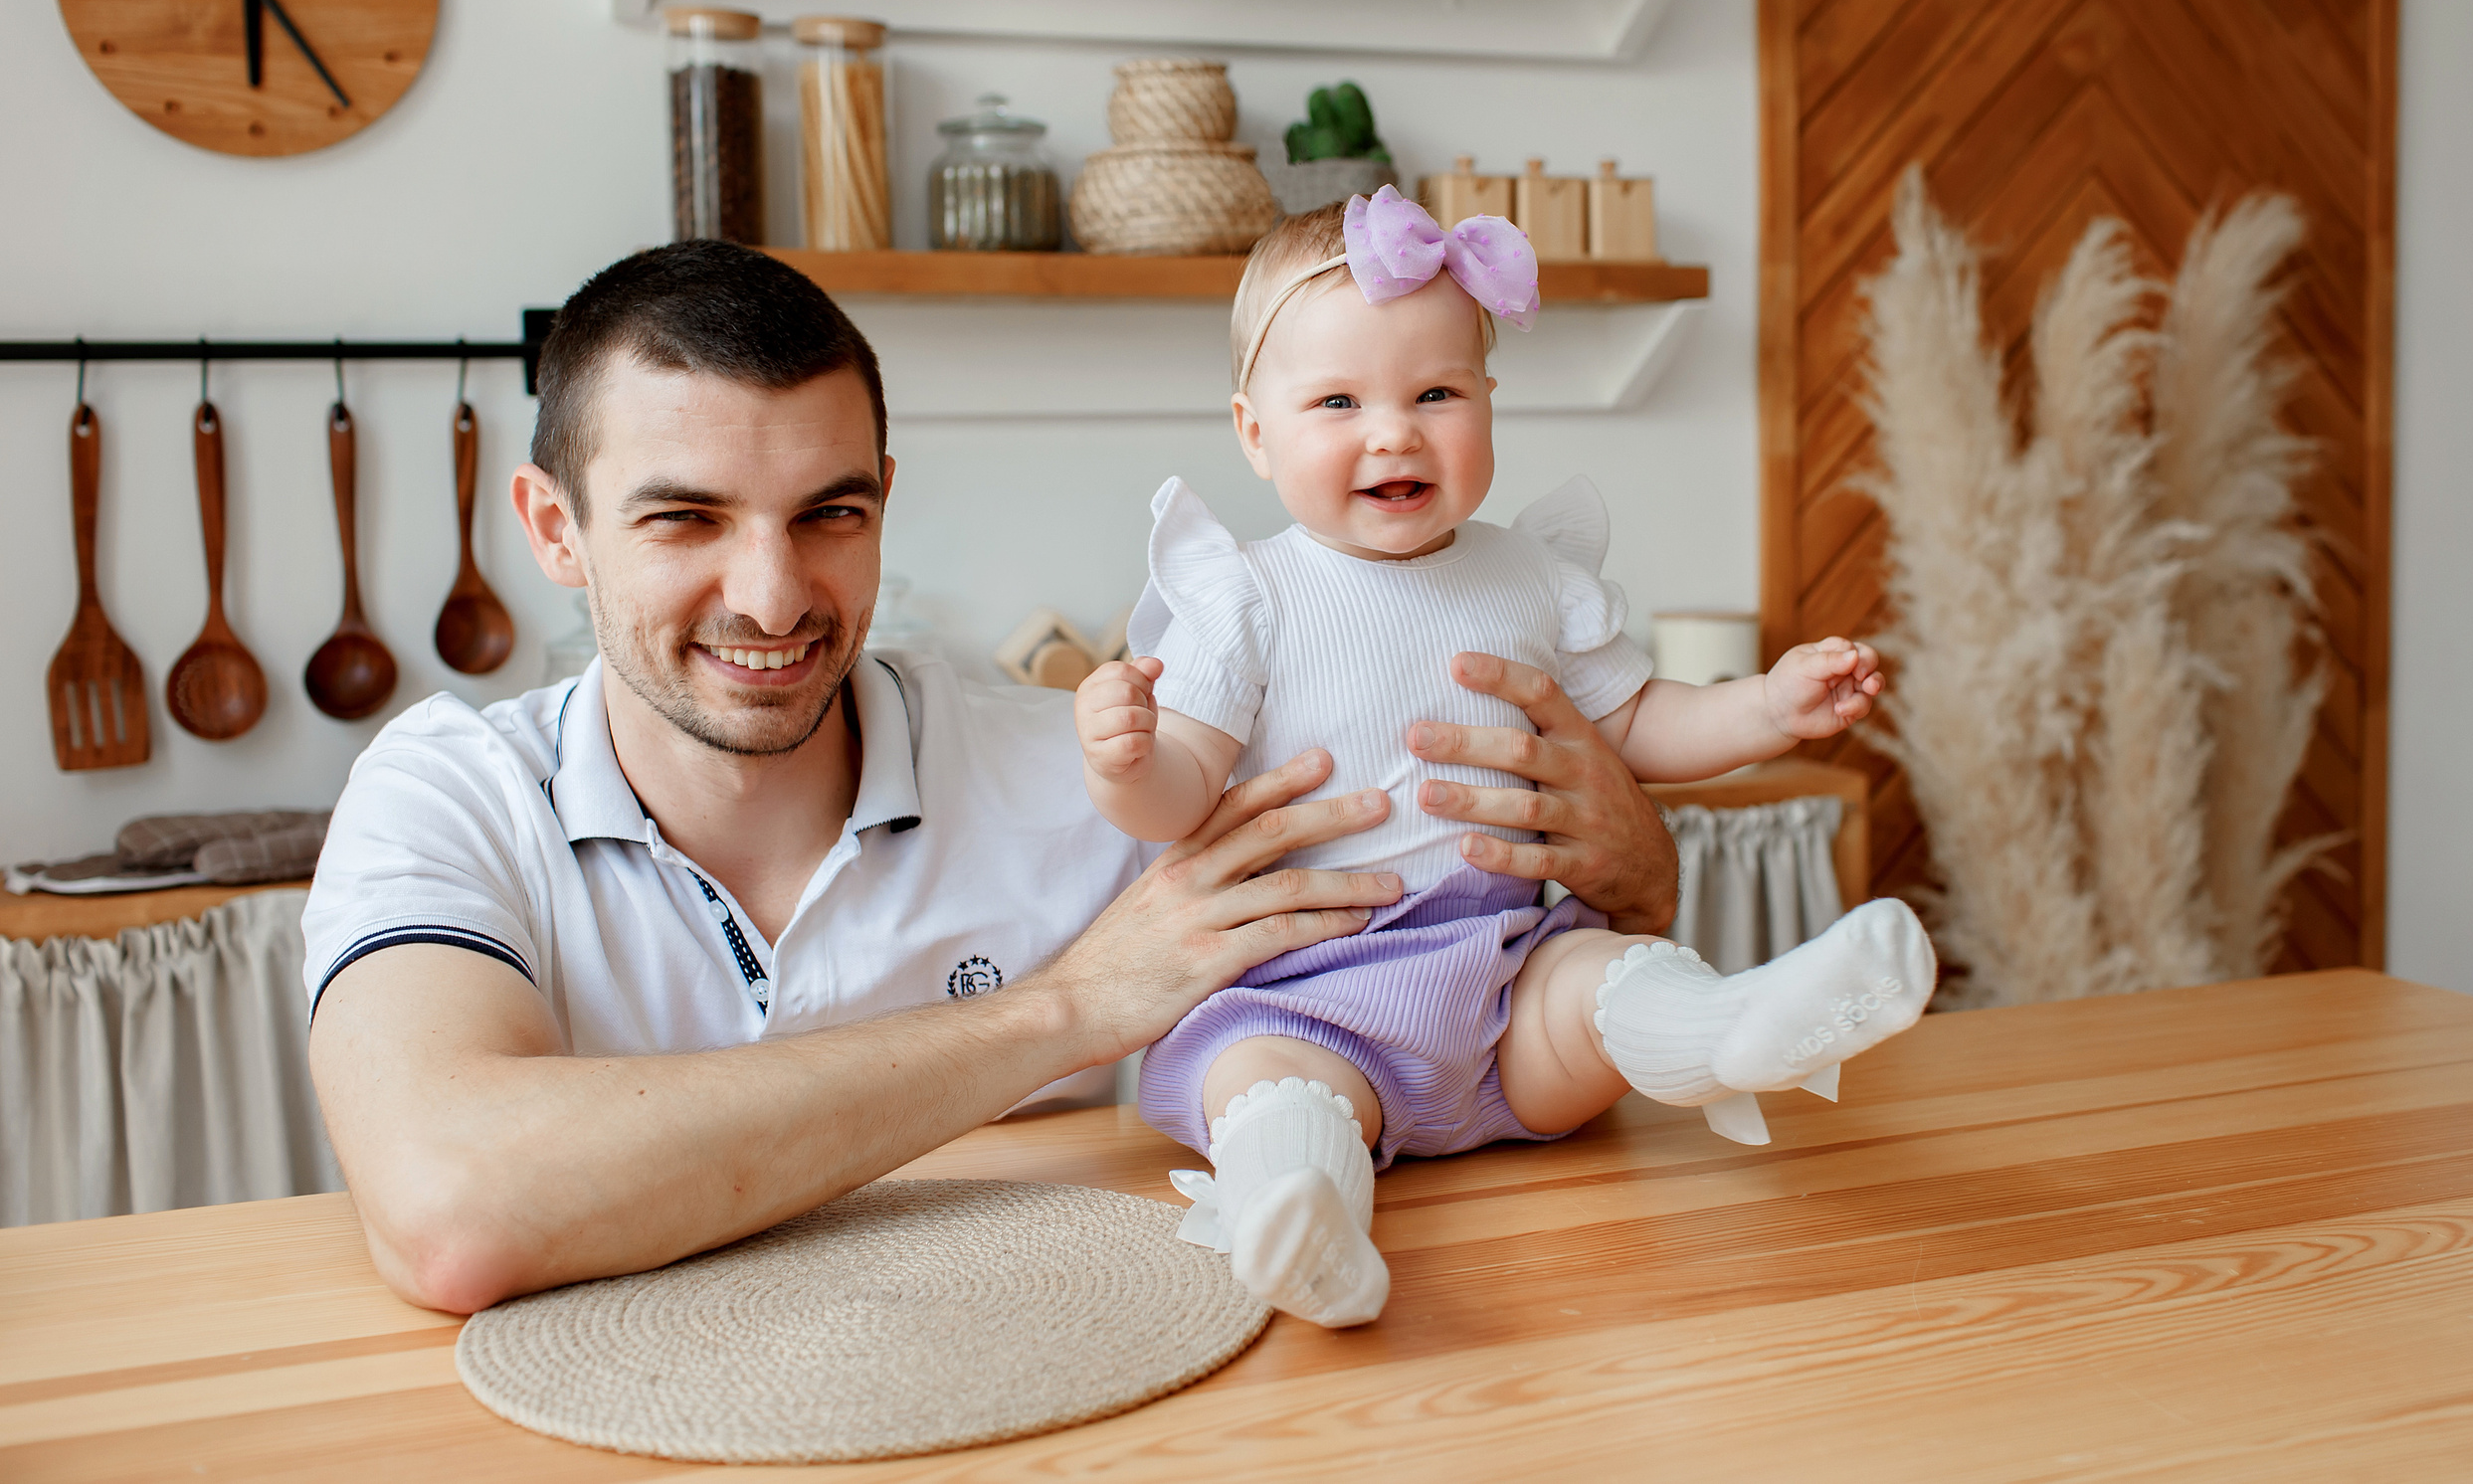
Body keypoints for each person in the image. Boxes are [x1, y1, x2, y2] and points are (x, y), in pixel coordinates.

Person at [300, 240, 1683, 1316]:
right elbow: (454, 1205)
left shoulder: (1091, 774)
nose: (774, 594)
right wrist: (1069, 1009)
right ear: (557, 526)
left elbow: (1445, 993)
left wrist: (1632, 859)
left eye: (830, 512)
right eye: (686, 517)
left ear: (885, 498)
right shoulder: (447, 793)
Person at [1073, 192, 1937, 1329]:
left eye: (1436, 393)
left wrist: (1767, 708)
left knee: (1594, 986)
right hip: (1305, 996)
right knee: (1270, 1089)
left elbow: (1638, 727)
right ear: (1253, 431)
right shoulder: (1249, 597)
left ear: (1488, 403)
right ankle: (1302, 1216)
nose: (1394, 432)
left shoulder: (1529, 577)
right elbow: (1177, 792)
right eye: (1337, 401)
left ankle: (1733, 1032)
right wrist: (1126, 760)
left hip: (1499, 974)